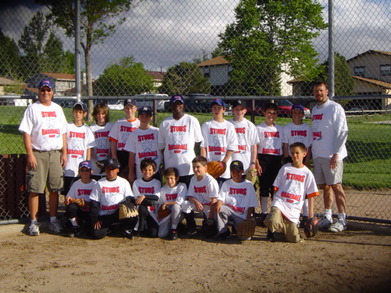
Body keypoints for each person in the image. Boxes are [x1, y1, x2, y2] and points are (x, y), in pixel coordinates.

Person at [18, 79, 68, 236]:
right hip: (38, 153)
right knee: (35, 188)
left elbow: (63, 132)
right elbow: (26, 133)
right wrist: (30, 154)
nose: (45, 93)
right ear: (38, 92)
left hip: (55, 153)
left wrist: (64, 152)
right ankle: (33, 221)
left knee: (54, 188)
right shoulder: (32, 109)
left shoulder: (58, 109)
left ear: (53, 92)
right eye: (42, 90)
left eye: (48, 90)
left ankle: (53, 220)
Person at [311, 81, 348, 232]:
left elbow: (342, 132)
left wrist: (336, 154)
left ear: (327, 91)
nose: (318, 93)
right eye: (316, 91)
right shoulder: (314, 109)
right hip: (319, 154)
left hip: (332, 155)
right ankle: (327, 216)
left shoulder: (335, 108)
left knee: (336, 185)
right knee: (325, 186)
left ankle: (342, 219)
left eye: (321, 90)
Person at [264, 142, 319, 243]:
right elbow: (276, 187)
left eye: (297, 153)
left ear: (304, 153)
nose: (294, 155)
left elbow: (311, 195)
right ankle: (272, 227)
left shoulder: (307, 173)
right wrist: (274, 205)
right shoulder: (285, 168)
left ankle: (283, 228)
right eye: (292, 153)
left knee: (294, 239)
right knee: (274, 221)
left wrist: (311, 216)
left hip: (294, 207)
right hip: (281, 203)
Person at [158, 95, 203, 187]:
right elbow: (162, 146)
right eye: (174, 104)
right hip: (171, 167)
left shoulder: (191, 120)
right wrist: (164, 163)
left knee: (188, 195)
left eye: (180, 103)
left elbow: (198, 142)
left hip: (187, 166)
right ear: (170, 106)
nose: (177, 106)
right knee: (172, 194)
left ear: (184, 106)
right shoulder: (165, 123)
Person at [89, 158, 137, 239]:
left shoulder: (123, 182)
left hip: (118, 213)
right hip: (104, 215)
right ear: (105, 170)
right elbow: (94, 202)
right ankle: (111, 228)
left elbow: (130, 197)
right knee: (96, 234)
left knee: (131, 211)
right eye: (108, 168)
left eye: (113, 169)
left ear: (117, 170)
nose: (110, 171)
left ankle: (125, 229)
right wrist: (95, 219)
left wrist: (123, 203)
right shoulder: (99, 183)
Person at [282, 104, 313, 222]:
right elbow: (285, 145)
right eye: (294, 112)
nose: (296, 115)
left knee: (304, 188)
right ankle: (289, 214)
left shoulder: (307, 128)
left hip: (303, 160)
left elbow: (309, 147)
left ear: (302, 115)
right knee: (290, 187)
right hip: (291, 159)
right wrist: (286, 160)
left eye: (299, 112)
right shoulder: (287, 128)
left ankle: (305, 215)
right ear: (291, 114)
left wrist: (307, 161)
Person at [214, 160, 258, 240]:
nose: (235, 174)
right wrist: (218, 204)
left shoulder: (248, 185)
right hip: (230, 210)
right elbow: (220, 199)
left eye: (238, 171)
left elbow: (251, 204)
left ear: (242, 171)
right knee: (219, 208)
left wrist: (248, 219)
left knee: (245, 238)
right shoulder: (226, 183)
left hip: (242, 215)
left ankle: (236, 227)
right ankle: (223, 232)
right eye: (233, 172)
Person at [255, 102, 284, 222]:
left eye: (273, 113)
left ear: (276, 114)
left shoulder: (280, 129)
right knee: (264, 186)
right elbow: (255, 147)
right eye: (269, 113)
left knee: (275, 187)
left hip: (276, 158)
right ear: (264, 113)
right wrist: (256, 162)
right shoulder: (259, 128)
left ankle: (274, 212)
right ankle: (264, 212)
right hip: (263, 158)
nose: (271, 115)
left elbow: (284, 145)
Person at [200, 98, 238, 185]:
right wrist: (204, 164)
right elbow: (203, 146)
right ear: (211, 109)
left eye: (219, 108)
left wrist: (224, 162)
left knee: (223, 192)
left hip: (224, 165)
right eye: (214, 108)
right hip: (210, 163)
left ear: (224, 109)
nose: (216, 110)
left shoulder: (229, 126)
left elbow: (231, 147)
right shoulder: (206, 125)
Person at [181, 156, 220, 237]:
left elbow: (214, 200)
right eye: (194, 167)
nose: (195, 169)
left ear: (205, 167)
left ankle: (207, 223)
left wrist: (210, 218)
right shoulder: (193, 178)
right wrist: (195, 202)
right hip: (197, 204)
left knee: (210, 231)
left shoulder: (210, 180)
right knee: (185, 204)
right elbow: (189, 196)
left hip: (209, 206)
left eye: (198, 167)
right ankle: (192, 227)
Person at [63, 102, 95, 195]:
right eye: (76, 112)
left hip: (81, 165)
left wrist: (88, 163)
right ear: (73, 112)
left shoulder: (87, 129)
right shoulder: (67, 126)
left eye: (80, 112)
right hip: (69, 164)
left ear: (84, 114)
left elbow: (89, 148)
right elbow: (63, 143)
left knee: (80, 191)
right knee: (68, 191)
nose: (77, 114)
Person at [124, 106, 161, 184]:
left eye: (147, 116)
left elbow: (163, 149)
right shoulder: (134, 134)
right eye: (142, 116)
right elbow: (131, 155)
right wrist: (131, 172)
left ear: (151, 118)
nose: (144, 118)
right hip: (141, 171)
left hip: (155, 170)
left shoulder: (157, 132)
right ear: (138, 117)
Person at [109, 99, 140, 177]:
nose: (129, 110)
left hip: (134, 153)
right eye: (127, 108)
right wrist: (114, 157)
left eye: (131, 108)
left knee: (133, 176)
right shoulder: (119, 123)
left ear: (136, 108)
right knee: (121, 176)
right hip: (122, 153)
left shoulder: (139, 123)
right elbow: (113, 141)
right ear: (124, 109)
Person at [64, 160, 96, 237]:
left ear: (91, 171)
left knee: (90, 231)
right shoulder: (76, 184)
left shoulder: (95, 184)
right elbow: (68, 197)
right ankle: (75, 226)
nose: (84, 172)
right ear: (79, 172)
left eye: (87, 170)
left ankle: (85, 224)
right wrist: (68, 199)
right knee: (71, 207)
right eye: (82, 170)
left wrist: (86, 203)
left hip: (90, 210)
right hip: (80, 210)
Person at [132, 158, 161, 237]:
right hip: (140, 212)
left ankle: (145, 225)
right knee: (142, 207)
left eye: (150, 170)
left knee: (153, 234)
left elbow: (156, 197)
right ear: (141, 170)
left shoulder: (157, 182)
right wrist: (145, 199)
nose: (147, 172)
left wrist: (144, 196)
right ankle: (140, 227)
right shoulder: (136, 182)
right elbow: (137, 199)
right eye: (145, 169)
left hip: (153, 212)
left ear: (154, 171)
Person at [229, 100, 258, 174]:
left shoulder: (250, 125)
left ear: (245, 110)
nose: (239, 111)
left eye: (241, 109)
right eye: (236, 109)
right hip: (231, 161)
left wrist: (253, 163)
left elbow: (253, 146)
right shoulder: (228, 124)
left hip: (246, 163)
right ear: (232, 110)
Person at [158, 167, 187, 240]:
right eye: (167, 178)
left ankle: (174, 229)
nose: (169, 181)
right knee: (161, 234)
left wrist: (166, 203)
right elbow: (161, 204)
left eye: (172, 178)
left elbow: (179, 201)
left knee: (175, 206)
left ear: (177, 178)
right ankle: (178, 226)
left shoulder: (182, 186)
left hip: (179, 212)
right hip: (168, 214)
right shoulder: (163, 189)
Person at [89, 103, 113, 180]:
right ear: (95, 115)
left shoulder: (111, 126)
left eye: (103, 114)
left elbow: (113, 145)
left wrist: (108, 159)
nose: (100, 116)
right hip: (95, 162)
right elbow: (90, 148)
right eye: (98, 114)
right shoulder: (91, 128)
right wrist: (96, 162)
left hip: (107, 161)